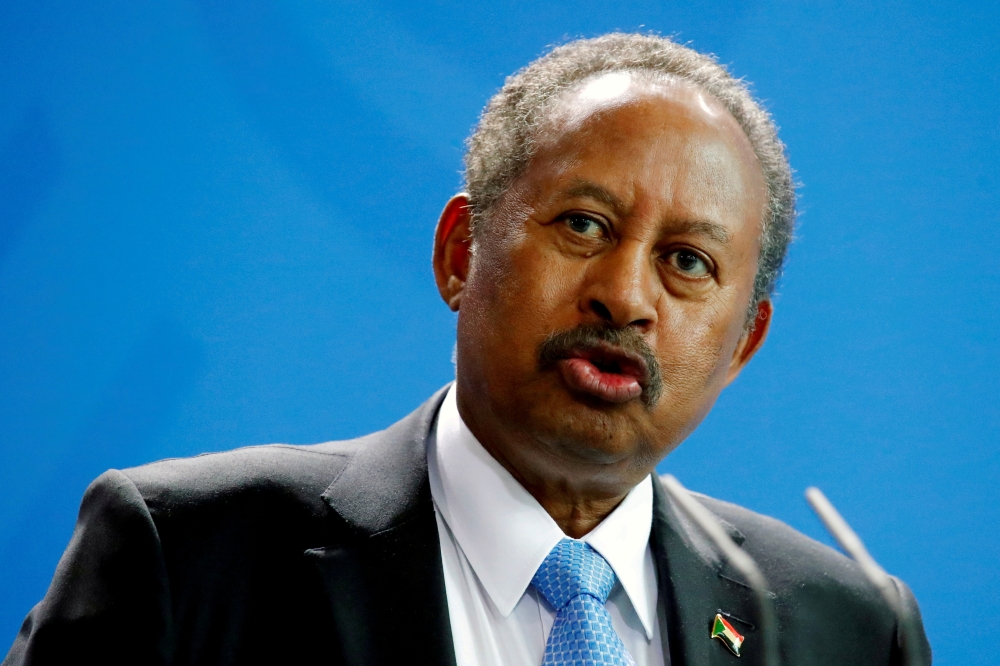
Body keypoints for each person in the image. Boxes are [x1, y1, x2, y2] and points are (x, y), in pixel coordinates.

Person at [3, 33, 931, 666]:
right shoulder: (189, 557)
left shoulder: (841, 627)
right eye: (583, 224)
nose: (626, 294)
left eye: (688, 261)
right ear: (460, 253)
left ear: (743, 345)